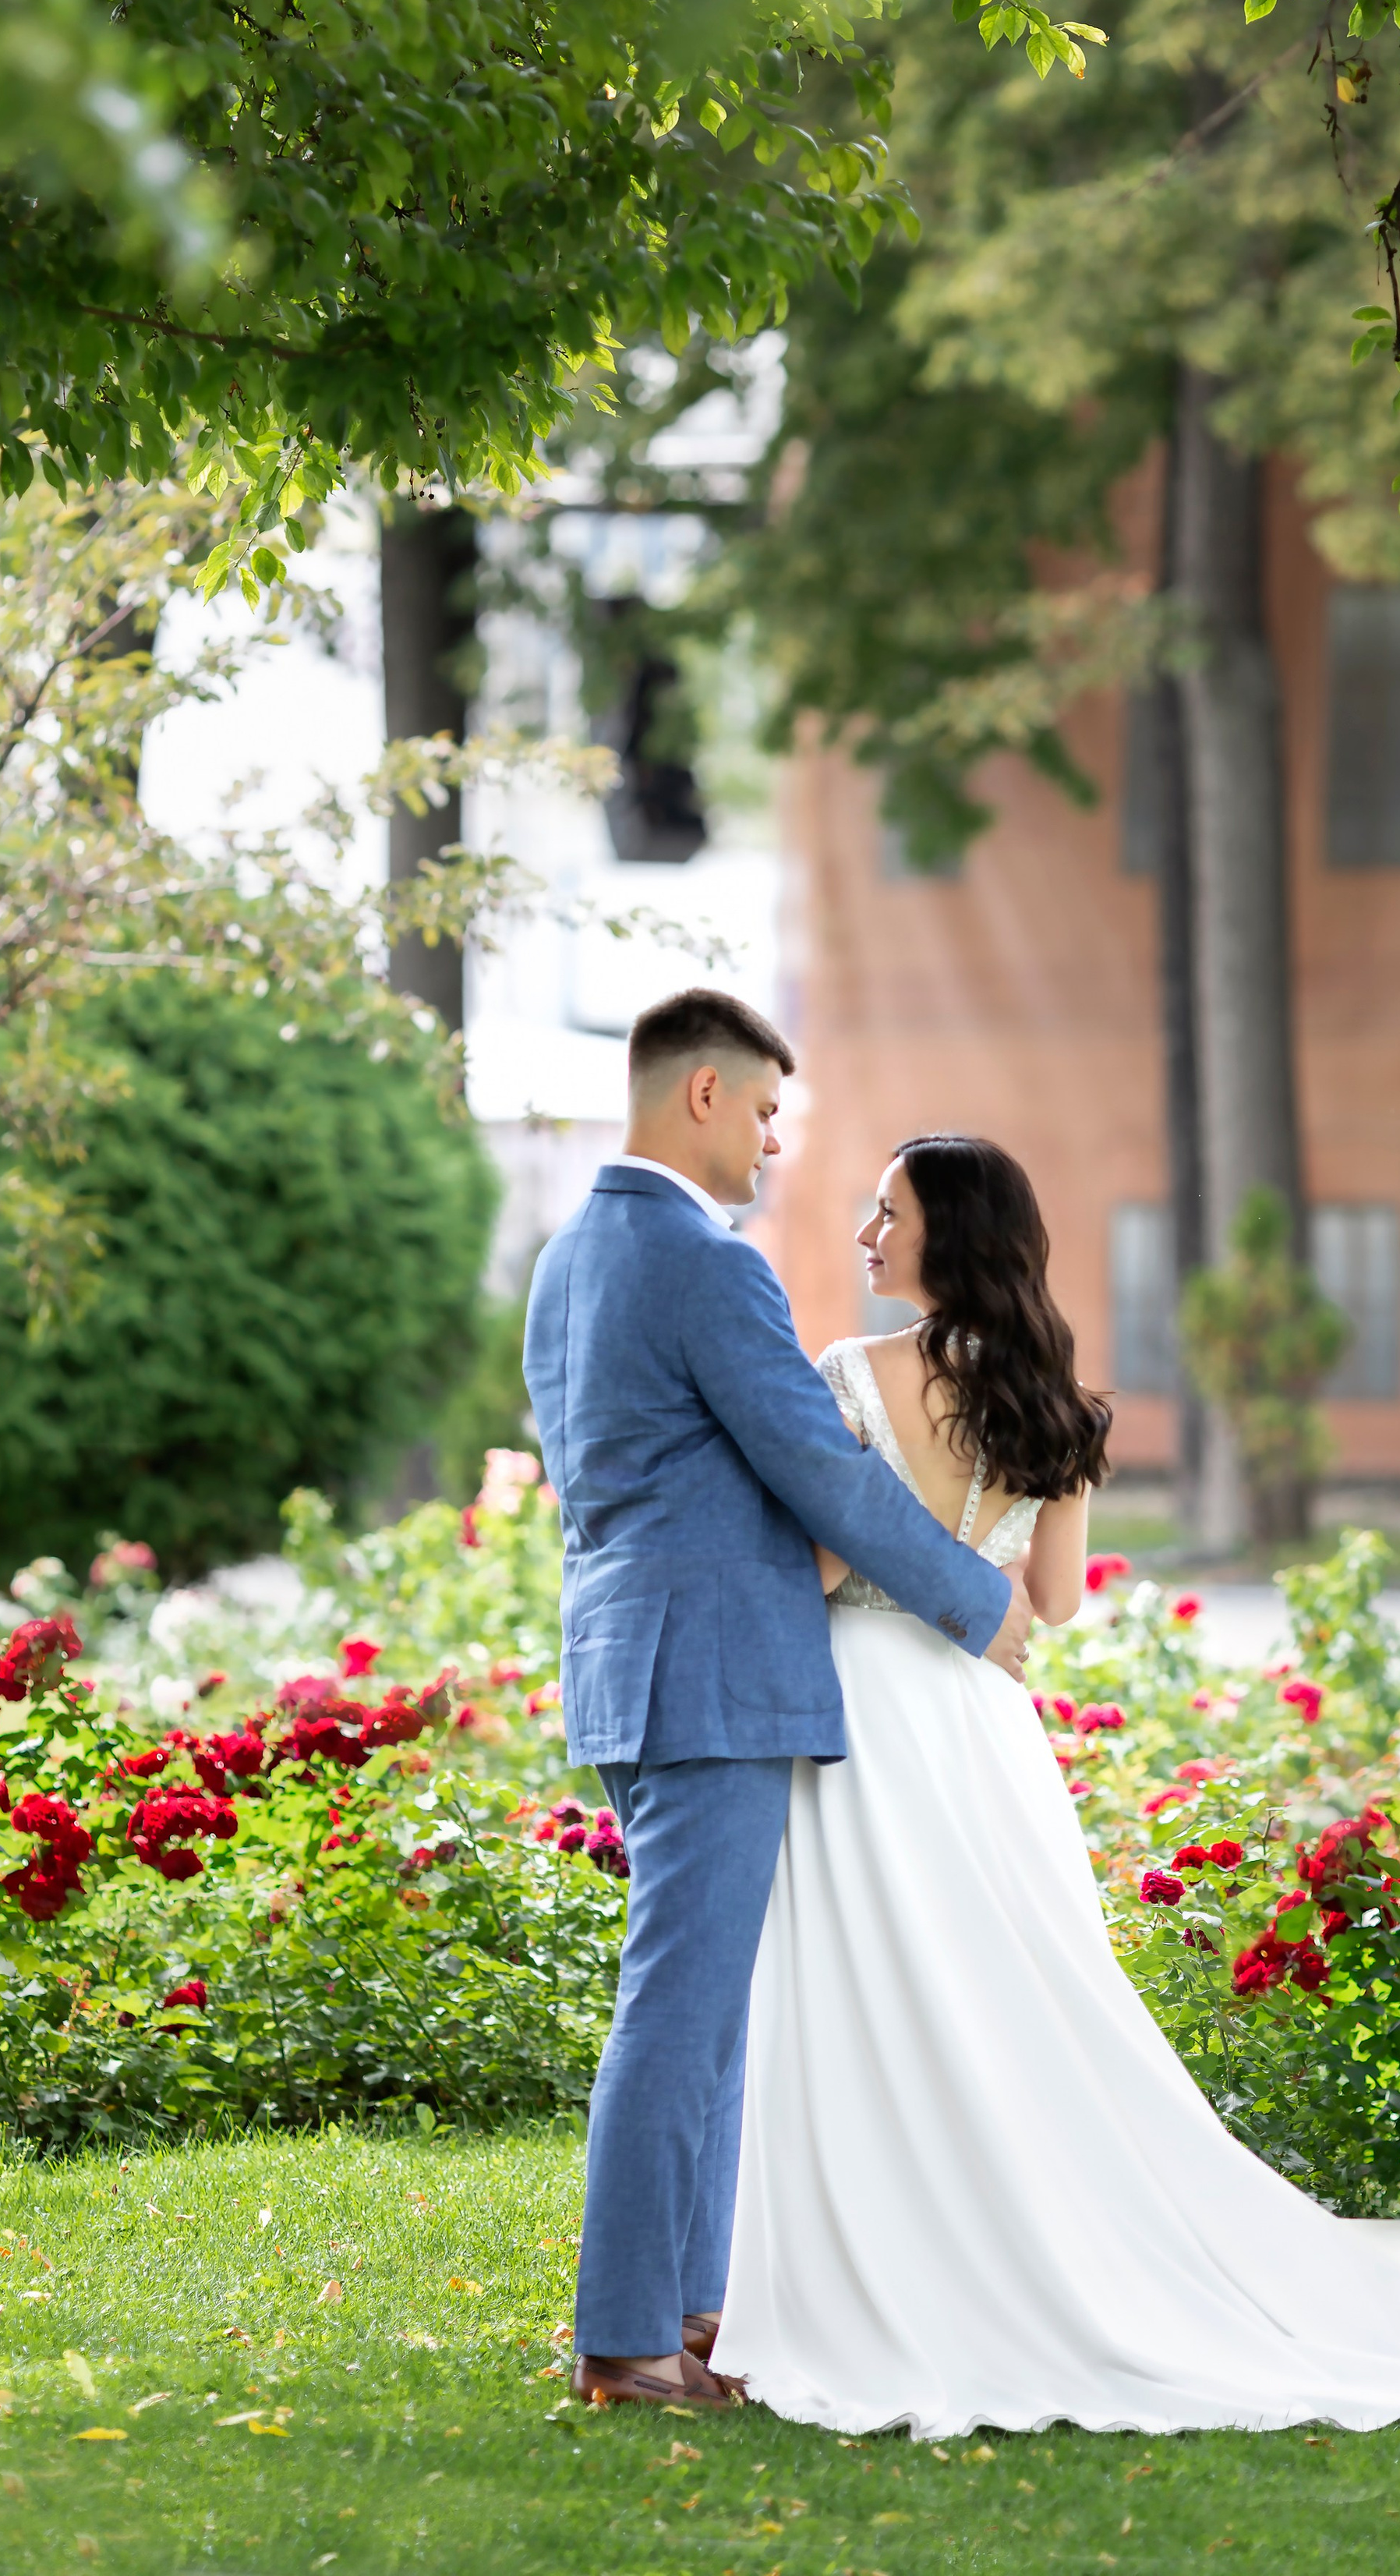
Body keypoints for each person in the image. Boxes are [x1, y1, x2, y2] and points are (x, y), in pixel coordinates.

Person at [714, 1134, 1400, 2438]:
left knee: (858, 1999)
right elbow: (1057, 1602)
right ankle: (1034, 2251)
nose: (864, 1231)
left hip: (857, 1713)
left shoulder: (845, 1378)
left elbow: (814, 1568)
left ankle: (876, 2280)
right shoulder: (1053, 1400)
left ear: (947, 1234)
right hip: (980, 1729)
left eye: (885, 1211)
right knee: (1017, 2007)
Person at [523, 995, 1031, 2410]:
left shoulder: (569, 1260)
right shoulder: (705, 1261)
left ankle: (692, 2314)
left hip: (632, 1660)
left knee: (712, 2005)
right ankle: (627, 2339)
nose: (771, 1144)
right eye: (761, 1115)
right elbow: (820, 1468)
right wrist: (978, 1606)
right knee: (682, 2008)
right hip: (716, 1673)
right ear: (699, 1095)